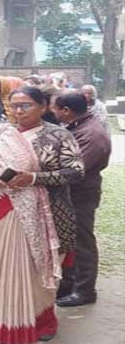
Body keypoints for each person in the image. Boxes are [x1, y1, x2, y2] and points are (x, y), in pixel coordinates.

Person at [0, 86, 84, 344]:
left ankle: (41, 321)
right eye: (14, 106)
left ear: (43, 107)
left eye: (26, 105)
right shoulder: (0, 132)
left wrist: (33, 178)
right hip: (2, 204)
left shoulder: (58, 135)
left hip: (46, 211)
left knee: (37, 266)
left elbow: (75, 171)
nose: (19, 111)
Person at [51, 92, 111, 308]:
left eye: (54, 108)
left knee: (82, 242)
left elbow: (76, 169)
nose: (52, 111)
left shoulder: (92, 134)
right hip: (72, 193)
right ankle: (69, 284)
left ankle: (84, 290)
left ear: (66, 110)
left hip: (81, 194)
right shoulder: (80, 126)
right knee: (70, 240)